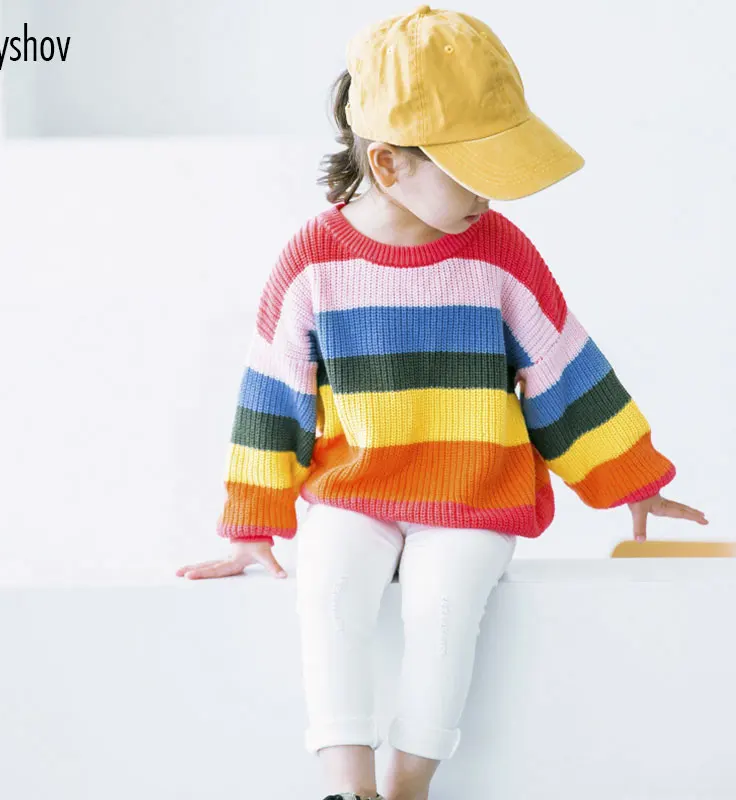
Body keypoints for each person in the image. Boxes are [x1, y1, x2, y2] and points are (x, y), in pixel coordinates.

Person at [176, 6, 709, 800]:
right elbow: (273, 396)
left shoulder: (502, 253)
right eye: (475, 171)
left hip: (473, 494)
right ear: (389, 165)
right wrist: (254, 522)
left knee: (445, 606)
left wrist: (630, 479)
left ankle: (407, 784)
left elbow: (562, 368)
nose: (491, 196)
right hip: (356, 491)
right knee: (327, 587)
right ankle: (347, 785)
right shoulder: (312, 262)